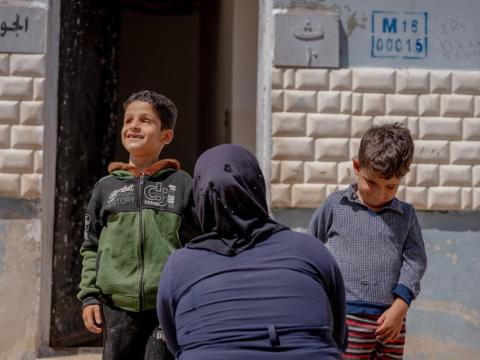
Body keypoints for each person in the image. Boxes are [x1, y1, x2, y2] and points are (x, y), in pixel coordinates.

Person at [157, 144, 347, 360]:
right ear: (256, 185)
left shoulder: (179, 267)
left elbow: (176, 344)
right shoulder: (311, 251)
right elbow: (338, 335)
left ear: (199, 195)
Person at [78, 90, 199, 360]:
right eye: (128, 120)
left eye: (145, 120)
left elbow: (198, 246)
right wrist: (89, 297)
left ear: (166, 136)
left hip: (166, 307)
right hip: (116, 307)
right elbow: (90, 246)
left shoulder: (183, 185)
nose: (133, 125)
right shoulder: (104, 188)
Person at [307, 123, 427, 359]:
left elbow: (416, 260)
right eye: (371, 182)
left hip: (391, 321)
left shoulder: (406, 216)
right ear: (357, 167)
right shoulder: (335, 206)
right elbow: (309, 248)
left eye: (391, 186)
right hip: (346, 319)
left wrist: (400, 307)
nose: (380, 193)